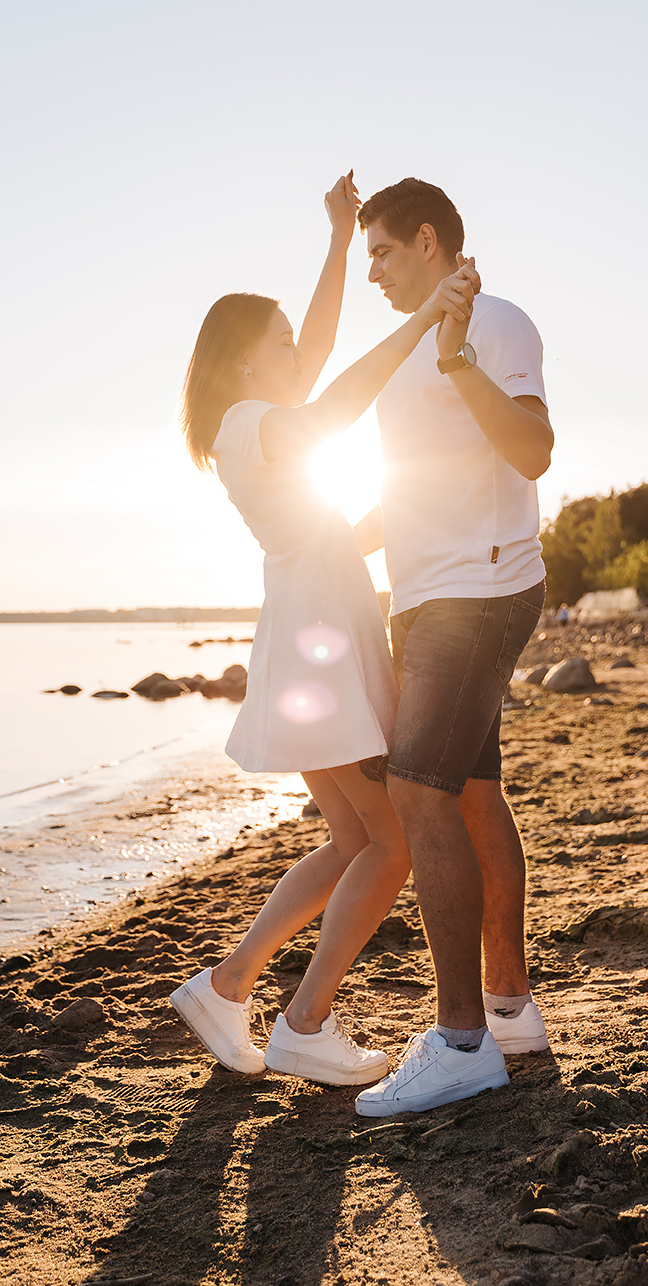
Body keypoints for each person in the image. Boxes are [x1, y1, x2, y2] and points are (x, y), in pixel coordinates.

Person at [171, 172, 480, 1090]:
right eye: (278, 343)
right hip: (320, 645)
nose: (297, 347)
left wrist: (339, 239)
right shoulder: (250, 423)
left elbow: (320, 347)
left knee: (355, 841)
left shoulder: (257, 414)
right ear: (245, 362)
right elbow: (334, 400)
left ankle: (227, 986)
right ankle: (304, 1022)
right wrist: (423, 320)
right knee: (385, 844)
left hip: (311, 634)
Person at [347, 178, 554, 1117]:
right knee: (470, 791)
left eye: (382, 253)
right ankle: (508, 1010)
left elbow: (532, 451)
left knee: (414, 787)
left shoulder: (497, 324)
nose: (374, 274)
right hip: (428, 597)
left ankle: (461, 1037)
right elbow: (410, 490)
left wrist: (458, 356)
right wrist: (329, 548)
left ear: (426, 239)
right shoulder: (397, 358)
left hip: (479, 592)